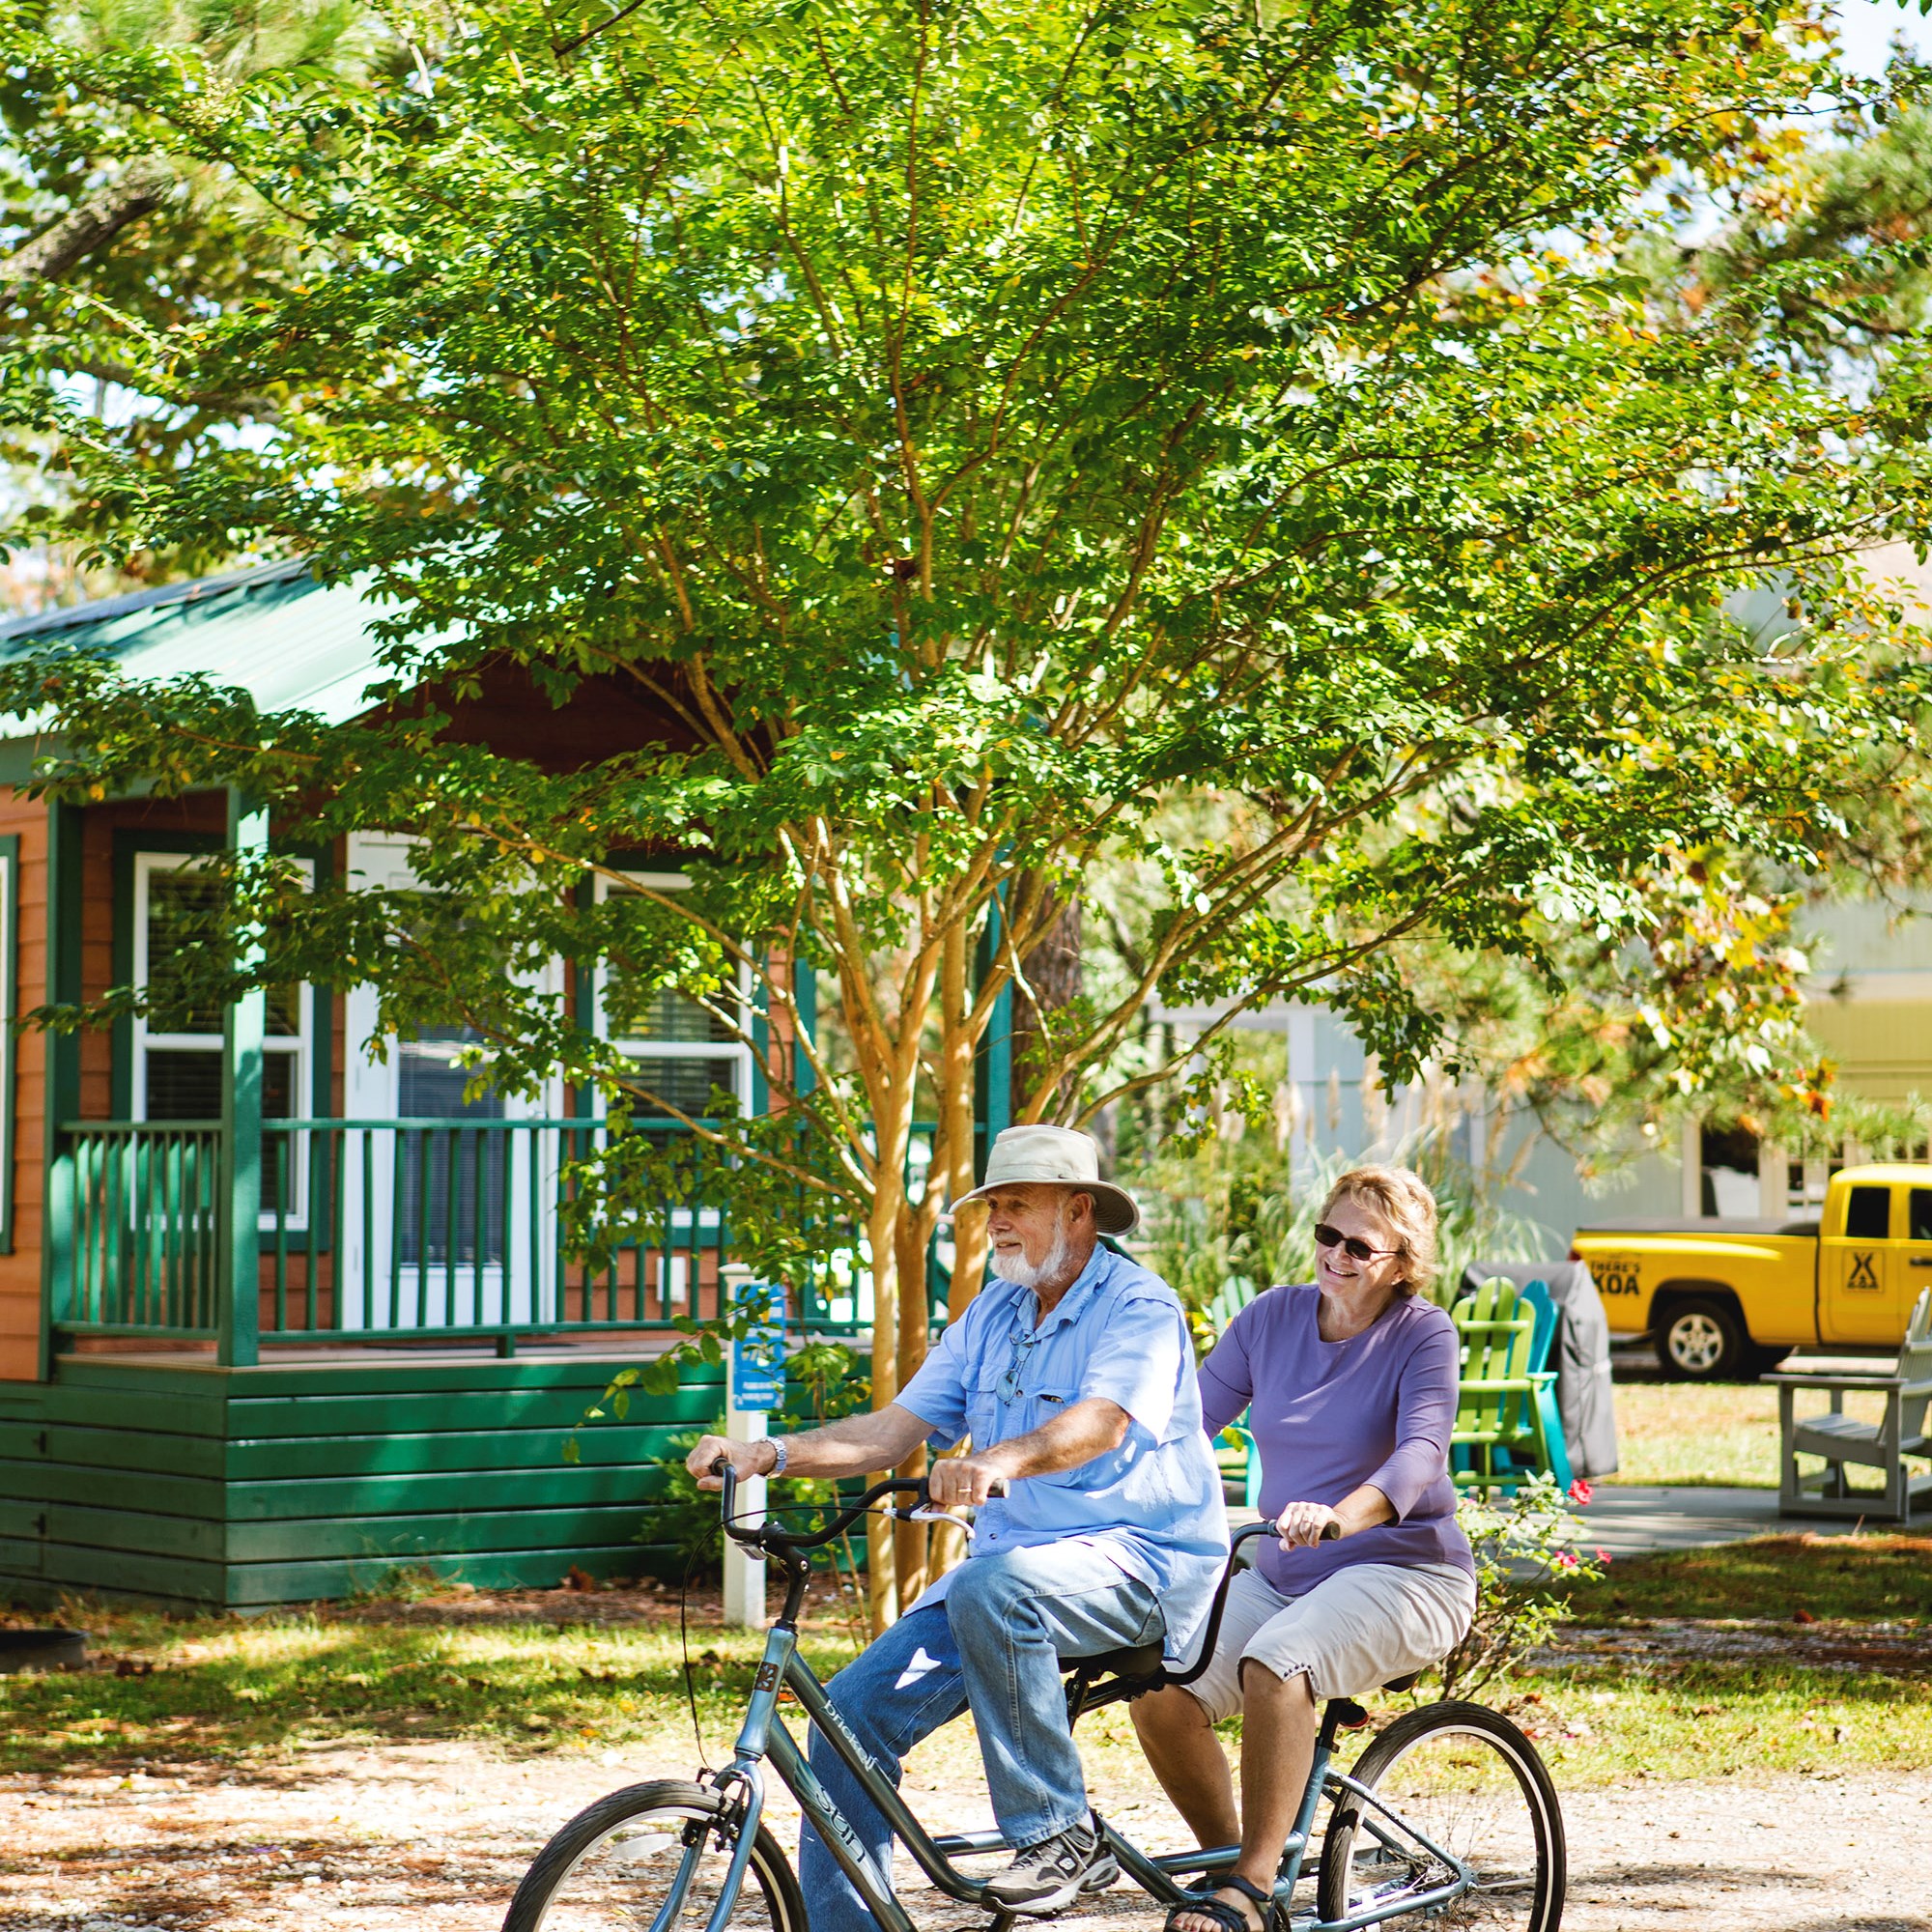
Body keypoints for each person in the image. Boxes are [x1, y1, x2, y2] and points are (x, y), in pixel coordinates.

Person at [687, 1123, 1227, 1928]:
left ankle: (1058, 1834)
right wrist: (765, 1452)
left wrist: (1001, 1461)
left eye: (1017, 1204)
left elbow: (1103, 1423)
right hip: (1012, 1580)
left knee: (990, 1585)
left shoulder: (1139, 1308)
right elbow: (891, 1431)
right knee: (845, 1720)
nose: (997, 1221)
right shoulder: (991, 1314)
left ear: (1079, 1212)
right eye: (992, 1206)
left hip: (1139, 1562)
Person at [1131, 1166, 1476, 1932]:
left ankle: (1250, 1889)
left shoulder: (1423, 1333)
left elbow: (1420, 1454)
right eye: (1329, 1235)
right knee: (1158, 1687)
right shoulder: (1271, 1319)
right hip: (1287, 1569)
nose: (1338, 1255)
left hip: (1406, 1570)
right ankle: (1242, 1873)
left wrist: (1344, 1516)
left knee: (1276, 1661)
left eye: (1361, 1245)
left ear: (1401, 1264)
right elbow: (1184, 1427)